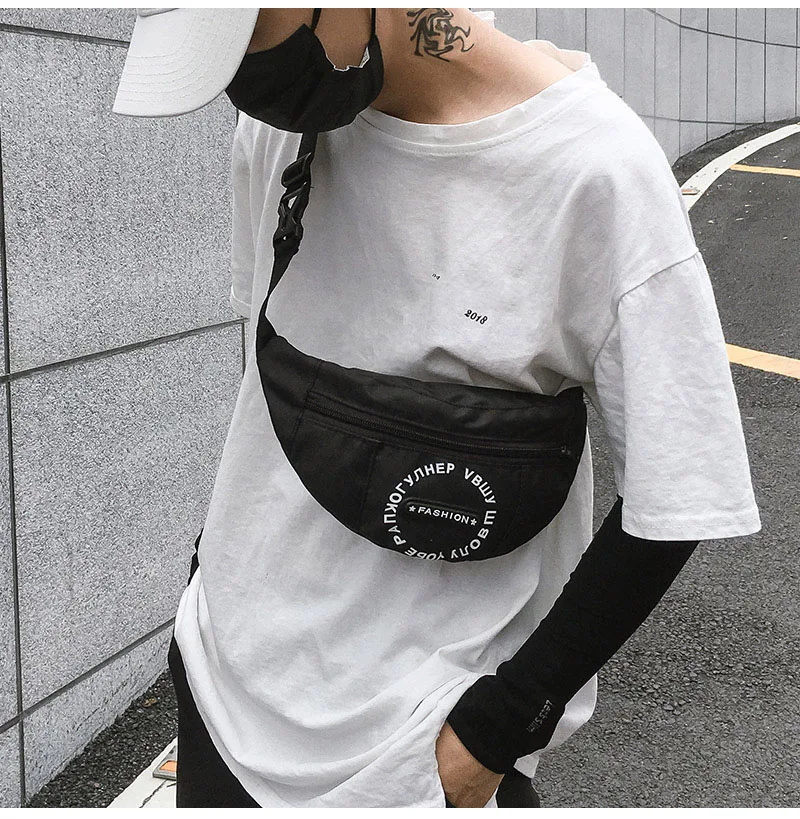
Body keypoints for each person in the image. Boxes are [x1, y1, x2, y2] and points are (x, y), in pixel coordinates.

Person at [112, 7, 762, 809]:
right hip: (222, 692)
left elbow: (678, 492)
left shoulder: (595, 169)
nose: (241, 81)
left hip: (416, 753)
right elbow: (264, 371)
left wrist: (499, 728)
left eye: (242, 40)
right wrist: (207, 581)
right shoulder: (280, 136)